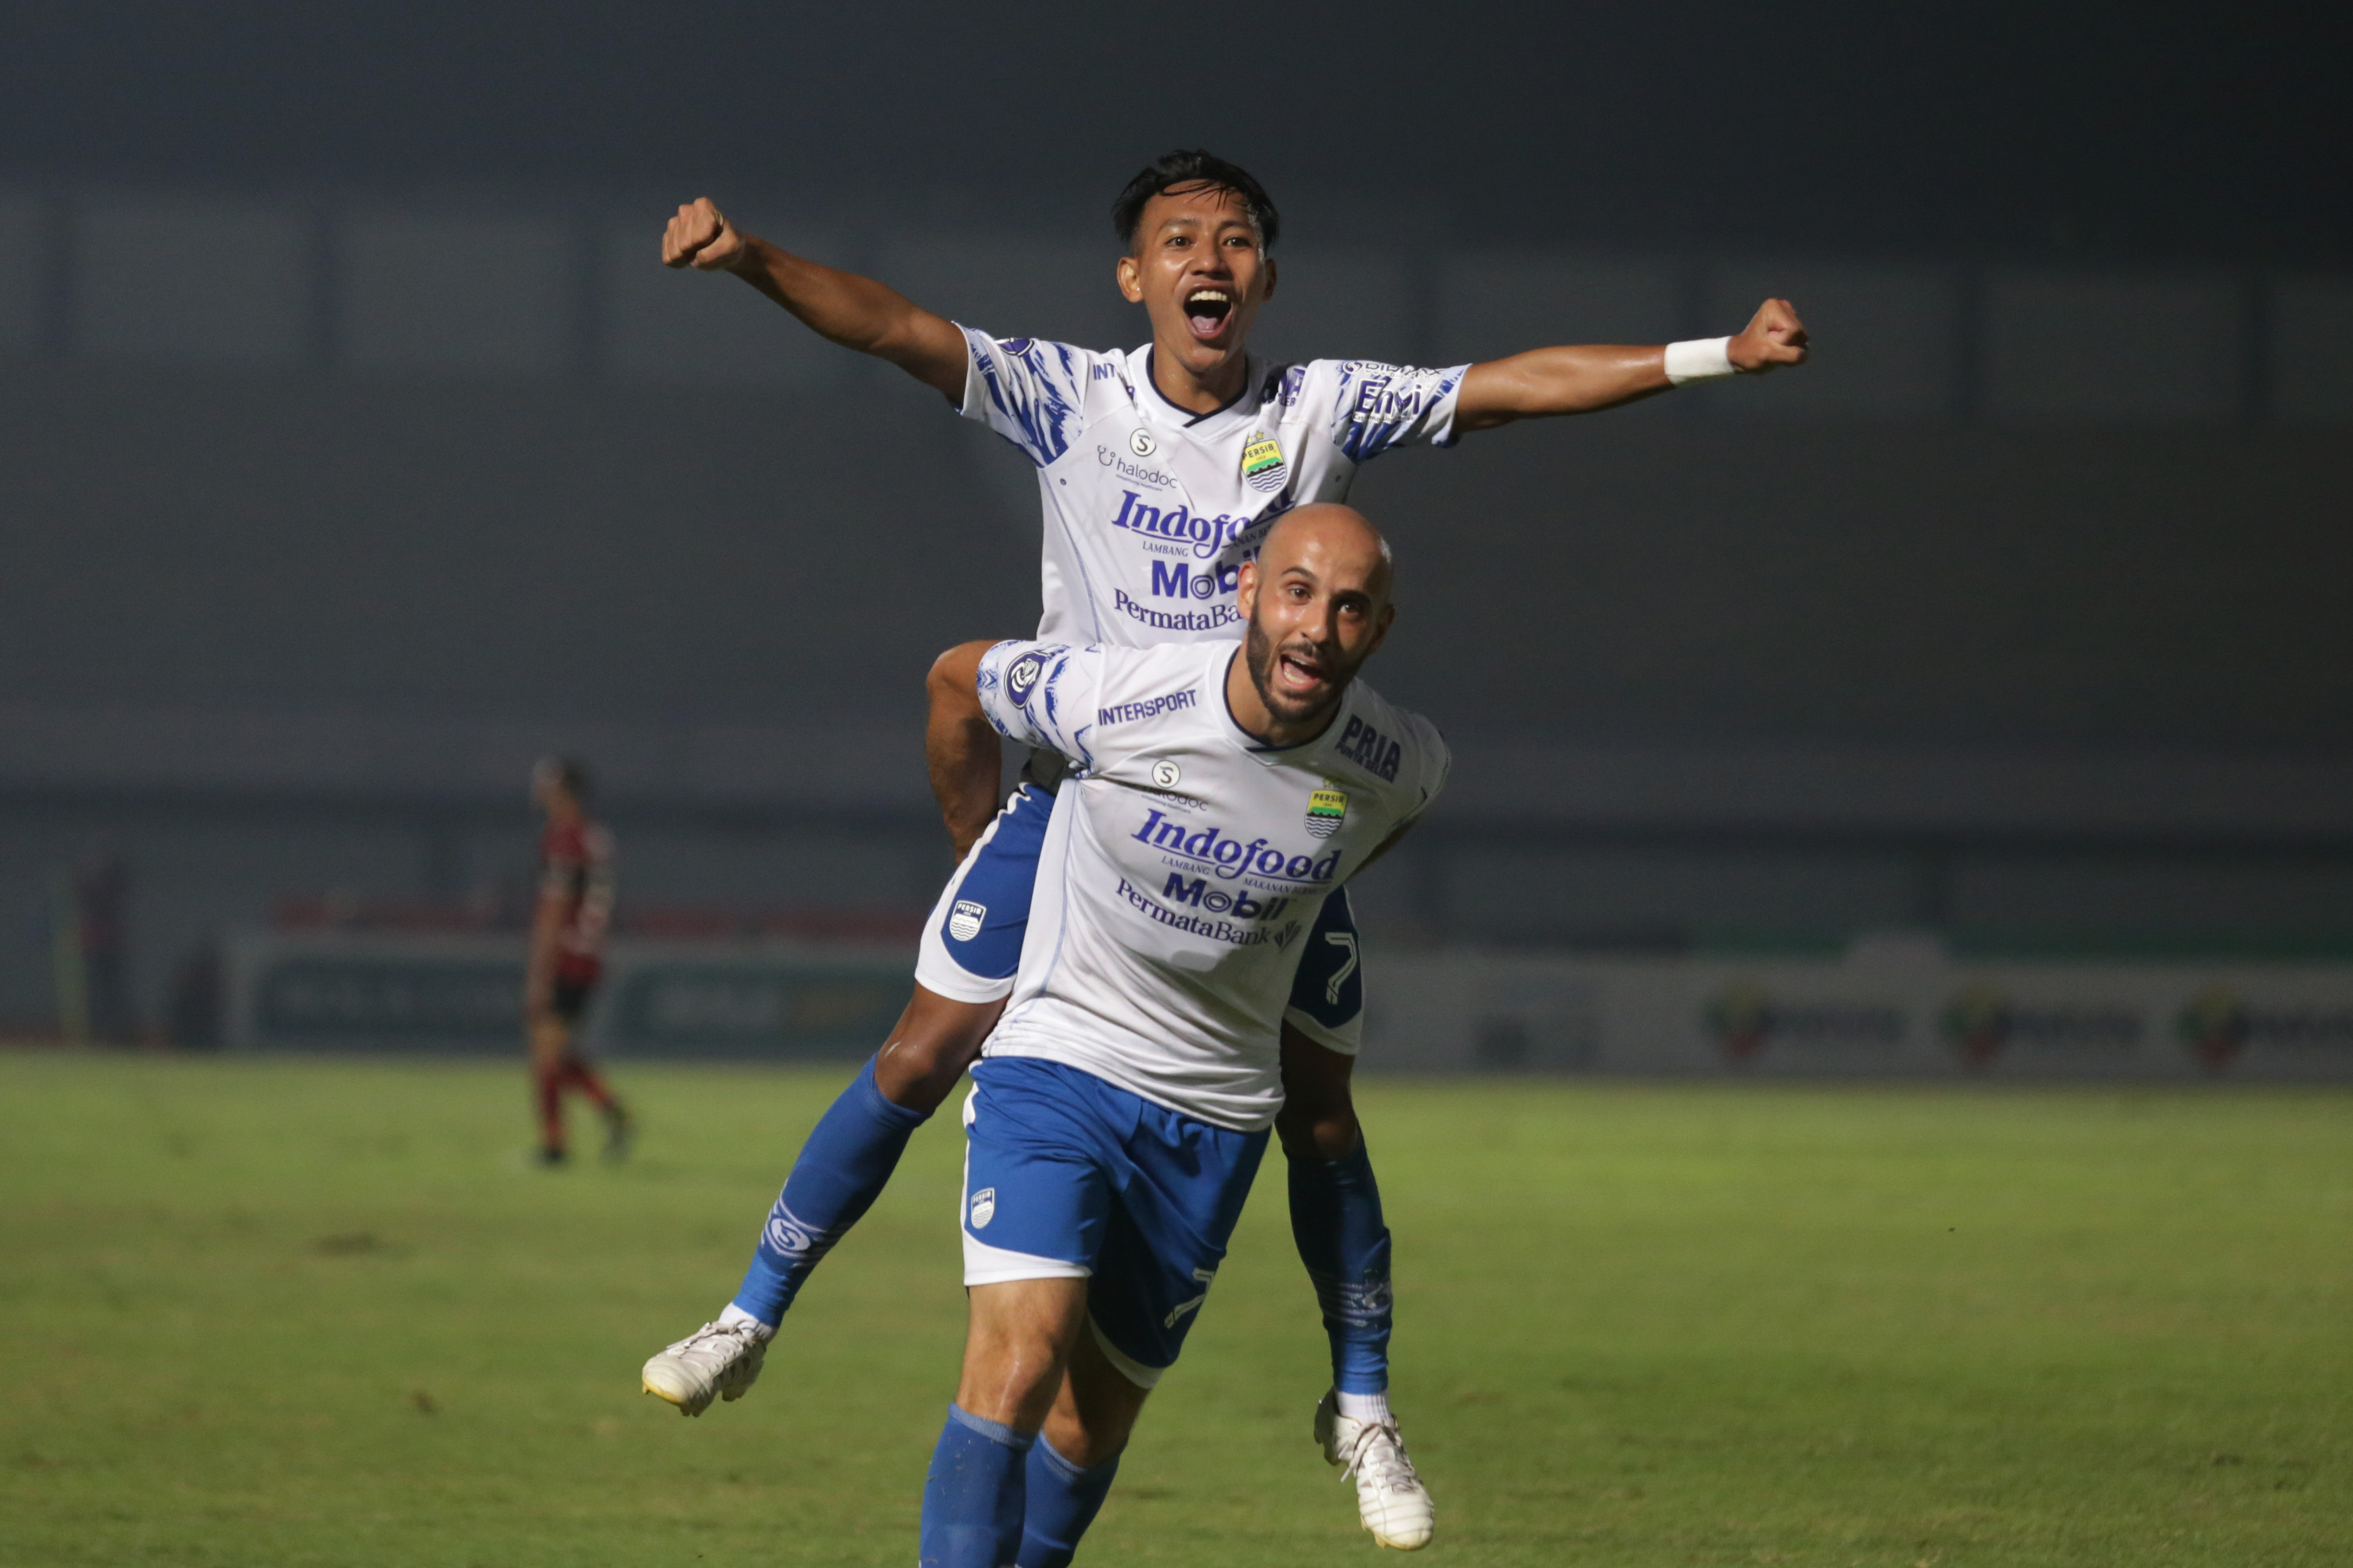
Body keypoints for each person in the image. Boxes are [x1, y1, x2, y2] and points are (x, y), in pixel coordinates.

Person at [639, 149, 1807, 1547]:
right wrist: (755, 258)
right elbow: (895, 328)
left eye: (1238, 237)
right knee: (919, 1047)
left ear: (1264, 276)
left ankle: (1362, 1399)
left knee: (1320, 1112)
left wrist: (1715, 357)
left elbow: (1505, 386)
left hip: (1262, 825)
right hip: (1083, 788)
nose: (1211, 256)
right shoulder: (1072, 394)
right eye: (1178, 237)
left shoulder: (1320, 408)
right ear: (1134, 277)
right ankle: (748, 1312)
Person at [924, 504, 1444, 1565]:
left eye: (1350, 608)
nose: (1317, 628)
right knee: (1018, 1371)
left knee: (1089, 1424)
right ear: (1248, 589)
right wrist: (979, 842)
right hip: (1058, 1066)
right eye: (1298, 591)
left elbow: (1371, 833)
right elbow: (957, 679)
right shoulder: (1122, 693)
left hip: (1211, 1117)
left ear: (1379, 630)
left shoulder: (1401, 763)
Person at [526, 756, 632, 1165]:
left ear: (560, 791)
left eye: (545, 787)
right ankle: (610, 1112)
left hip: (566, 958)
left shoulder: (563, 839)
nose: (539, 794)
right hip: (589, 956)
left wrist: (539, 971)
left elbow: (555, 910)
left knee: (546, 1053)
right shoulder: (596, 837)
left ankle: (555, 1144)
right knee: (557, 1051)